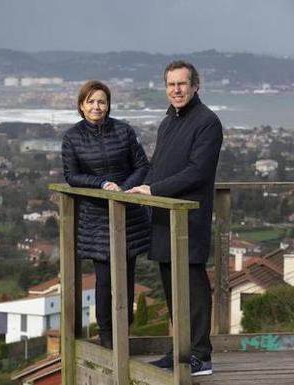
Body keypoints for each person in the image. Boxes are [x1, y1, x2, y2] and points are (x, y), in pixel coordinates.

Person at [127, 61, 223, 376]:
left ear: (195, 85)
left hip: (188, 219)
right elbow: (157, 167)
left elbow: (198, 171)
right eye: (171, 84)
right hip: (163, 217)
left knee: (193, 288)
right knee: (171, 286)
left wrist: (153, 188)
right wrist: (133, 188)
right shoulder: (168, 122)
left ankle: (200, 357)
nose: (176, 90)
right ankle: (179, 350)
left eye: (182, 84)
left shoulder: (207, 122)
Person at [62, 80, 150, 349]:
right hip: (96, 217)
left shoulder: (124, 131)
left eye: (101, 101)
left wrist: (123, 189)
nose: (96, 106)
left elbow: (142, 165)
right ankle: (107, 335)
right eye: (91, 101)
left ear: (109, 104)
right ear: (81, 105)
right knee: (104, 279)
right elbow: (72, 176)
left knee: (127, 275)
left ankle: (125, 330)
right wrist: (100, 185)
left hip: (128, 213)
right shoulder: (72, 137)